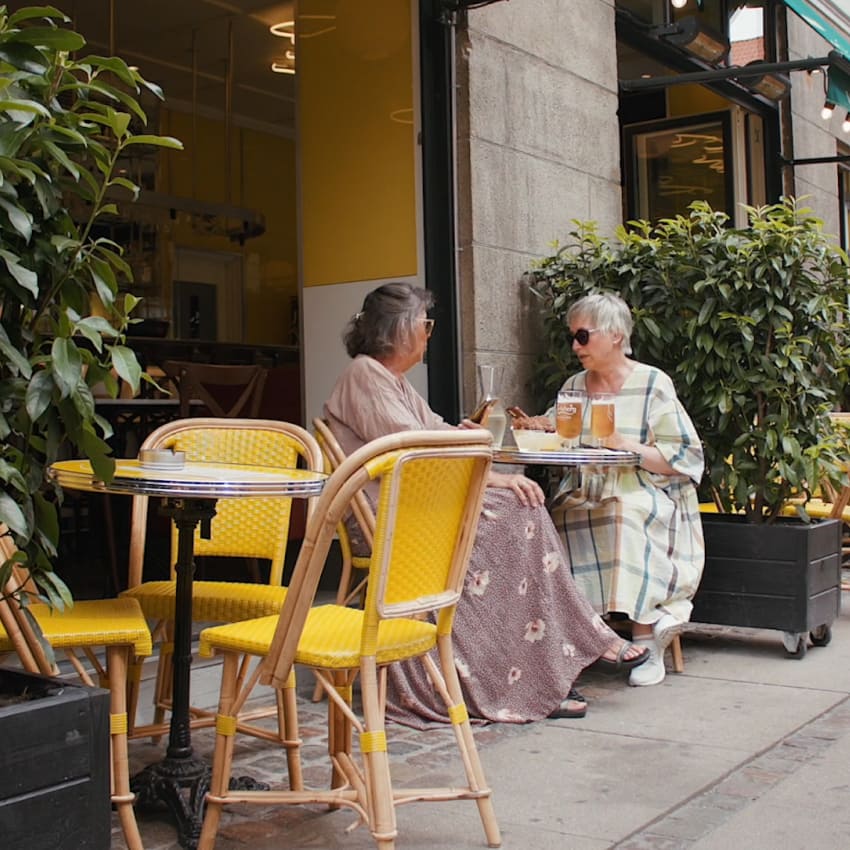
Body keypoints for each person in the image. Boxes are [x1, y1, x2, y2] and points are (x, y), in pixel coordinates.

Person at [323, 282, 649, 727]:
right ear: (400, 331)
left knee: (522, 509)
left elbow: (433, 431)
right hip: (390, 519)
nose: (429, 333)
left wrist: (463, 436)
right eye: (426, 324)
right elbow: (417, 451)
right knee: (514, 517)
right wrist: (489, 473)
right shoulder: (365, 375)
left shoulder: (389, 381)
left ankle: (543, 670)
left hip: (416, 506)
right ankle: (533, 671)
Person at [521, 292, 705, 687]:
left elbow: (684, 456)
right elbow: (560, 435)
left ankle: (646, 641)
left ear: (616, 335)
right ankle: (586, 637)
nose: (575, 346)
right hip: (584, 488)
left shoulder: (653, 383)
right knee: (555, 518)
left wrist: (631, 447)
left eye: (583, 336)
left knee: (622, 512)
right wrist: (537, 427)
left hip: (643, 488)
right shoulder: (574, 385)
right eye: (573, 336)